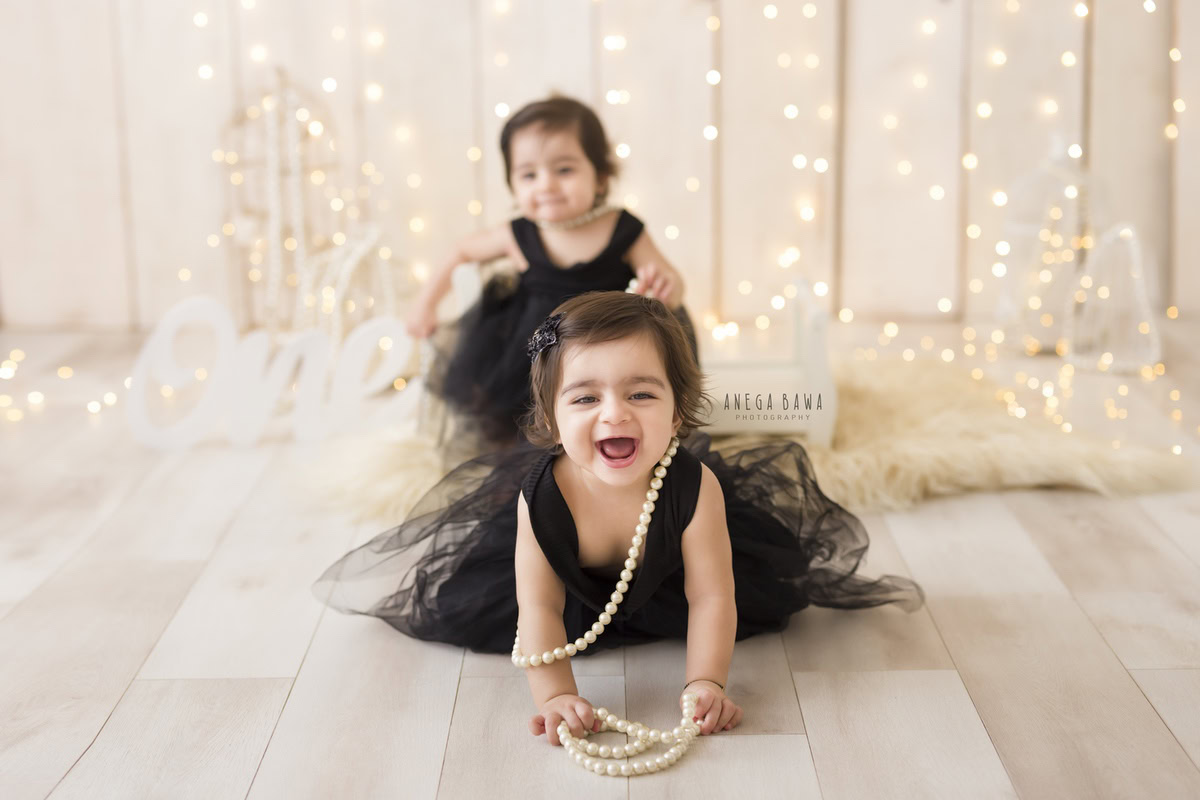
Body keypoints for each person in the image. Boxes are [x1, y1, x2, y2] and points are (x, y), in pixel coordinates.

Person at [316, 292, 922, 746]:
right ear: (551, 419)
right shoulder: (542, 497)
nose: (615, 415)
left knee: (749, 601)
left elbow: (711, 596)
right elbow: (540, 609)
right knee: (490, 611)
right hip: (566, 595)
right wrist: (556, 695)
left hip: (664, 583)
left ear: (680, 411)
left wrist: (704, 684)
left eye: (641, 393)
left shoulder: (692, 487)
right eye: (585, 398)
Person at [406, 94, 693, 446]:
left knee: (616, 409)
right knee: (521, 420)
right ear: (512, 183)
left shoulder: (622, 228)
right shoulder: (518, 233)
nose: (546, 185)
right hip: (537, 351)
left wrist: (665, 289)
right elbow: (461, 250)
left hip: (610, 348)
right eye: (529, 174)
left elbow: (672, 281)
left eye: (564, 170)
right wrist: (425, 303)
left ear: (600, 177)